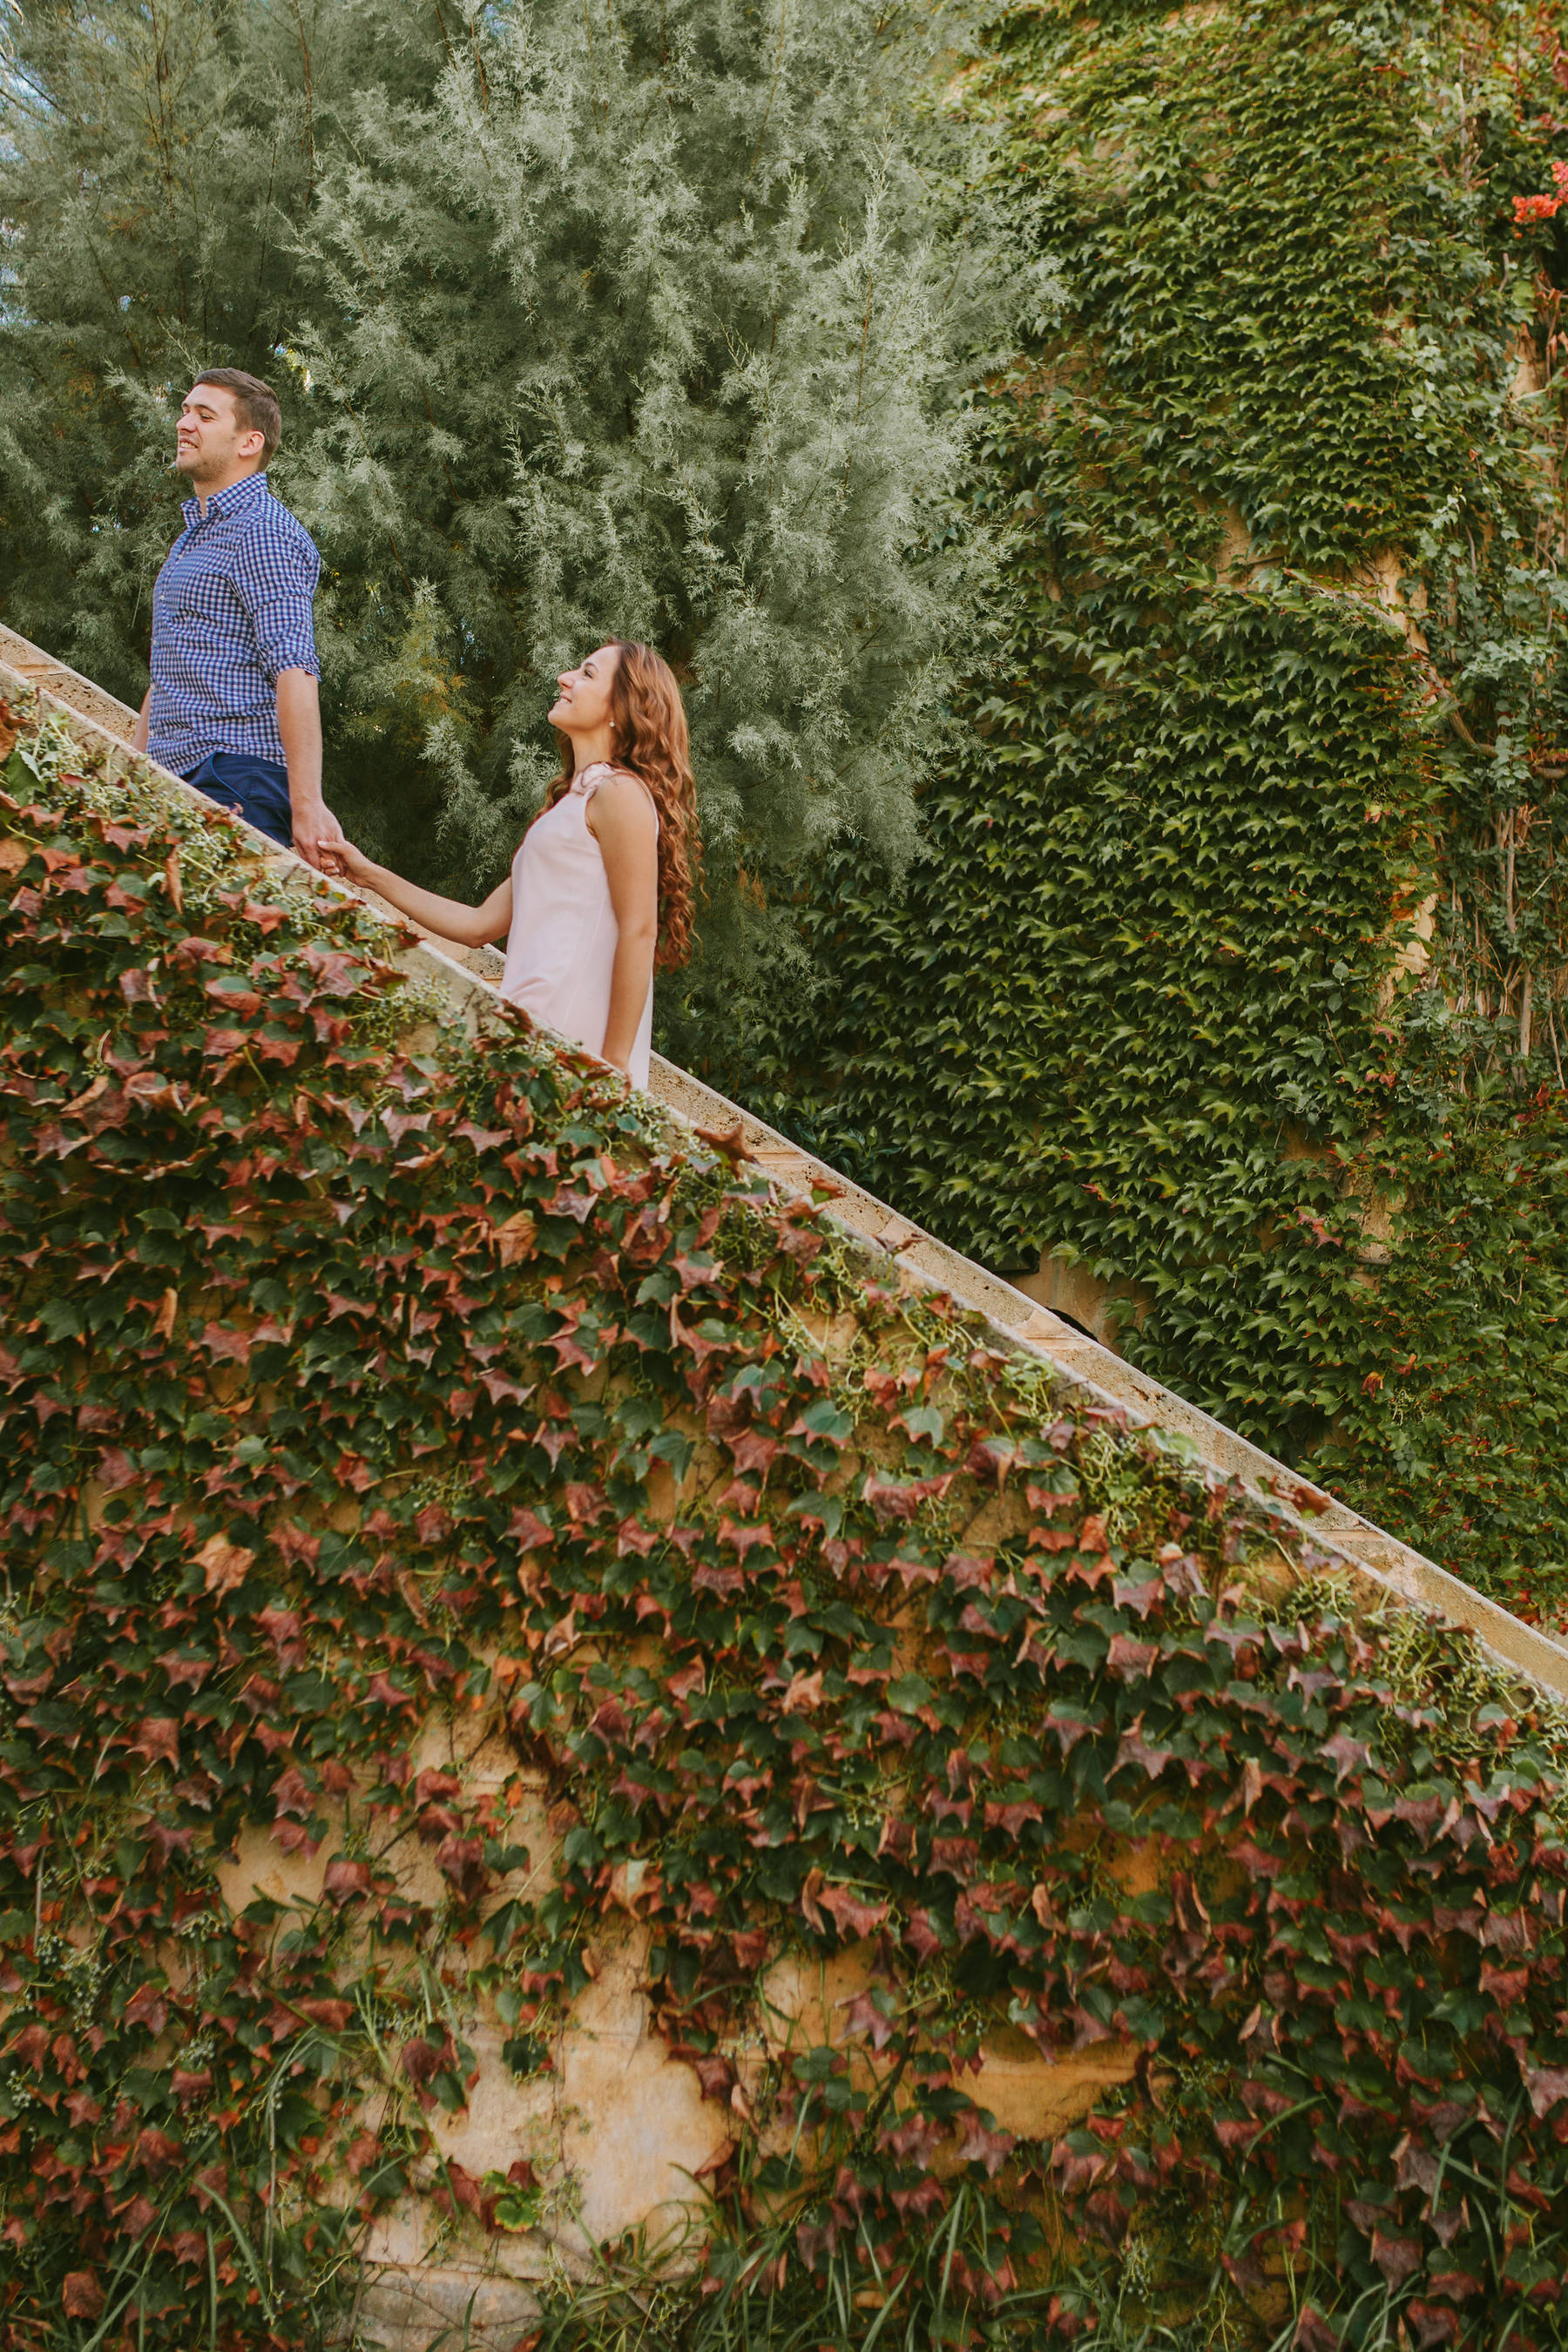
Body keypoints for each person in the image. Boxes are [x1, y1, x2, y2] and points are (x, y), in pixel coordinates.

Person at [324, 641, 699, 1088]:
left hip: (571, 1039)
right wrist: (364, 872)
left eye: (588, 673)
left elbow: (639, 929)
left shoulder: (619, 793)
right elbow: (479, 923)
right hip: (523, 1023)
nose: (566, 677)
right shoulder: (572, 804)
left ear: (623, 706)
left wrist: (612, 1068)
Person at [132, 368, 344, 868]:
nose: (185, 423)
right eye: (185, 411)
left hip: (234, 777)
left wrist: (307, 804)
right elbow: (168, 670)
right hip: (173, 771)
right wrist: (133, 766)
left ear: (250, 441)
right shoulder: (190, 539)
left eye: (205, 415)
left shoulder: (264, 532)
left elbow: (294, 667)